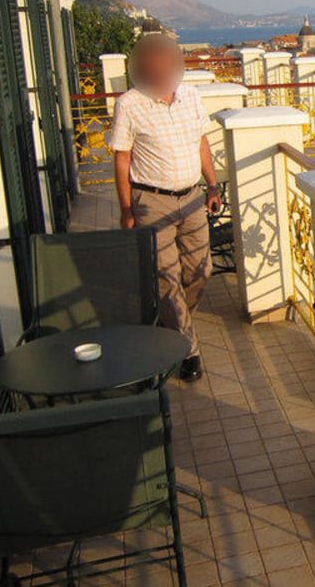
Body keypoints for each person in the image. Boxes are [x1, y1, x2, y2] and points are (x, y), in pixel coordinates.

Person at [108, 34, 222, 382]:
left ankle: (173, 322)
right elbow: (122, 158)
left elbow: (201, 141)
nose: (158, 76)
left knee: (201, 271)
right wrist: (127, 209)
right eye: (151, 70)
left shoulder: (190, 96)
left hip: (191, 198)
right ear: (140, 69)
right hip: (152, 201)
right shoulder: (129, 104)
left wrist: (213, 184)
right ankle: (188, 350)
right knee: (167, 278)